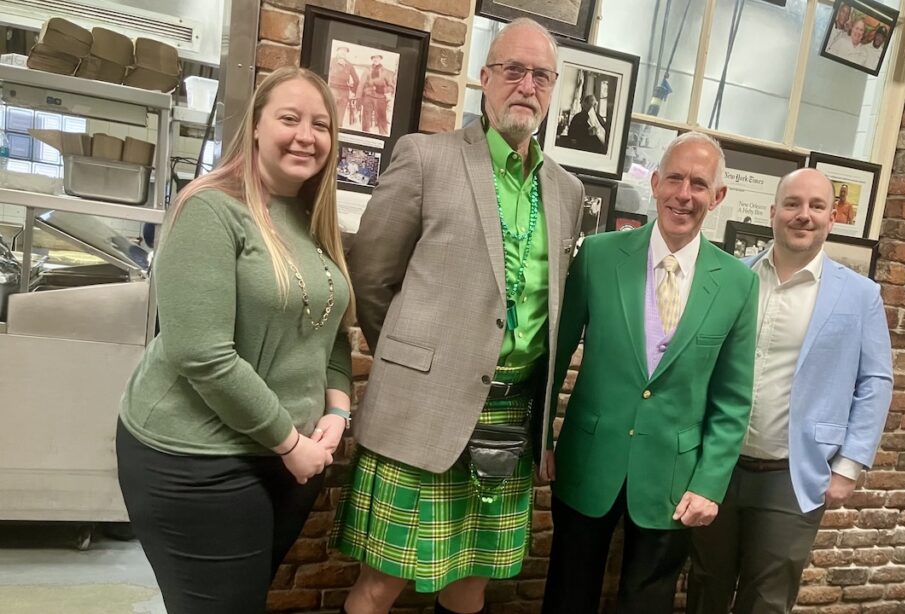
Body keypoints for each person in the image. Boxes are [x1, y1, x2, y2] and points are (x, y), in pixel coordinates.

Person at [333, 18, 584, 614]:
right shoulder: (425, 157)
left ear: (552, 90)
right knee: (380, 583)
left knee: (473, 578)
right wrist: (414, 354)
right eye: (513, 71)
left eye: (541, 76)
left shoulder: (567, 191)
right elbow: (370, 275)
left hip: (511, 414)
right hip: (426, 406)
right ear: (485, 79)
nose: (526, 85)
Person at [116, 66, 355, 613]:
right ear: (255, 126)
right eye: (289, 119)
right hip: (198, 455)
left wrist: (336, 413)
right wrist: (292, 444)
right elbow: (200, 352)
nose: (306, 135)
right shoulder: (210, 208)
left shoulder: (311, 218)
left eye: (320, 124)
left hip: (287, 457)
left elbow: (331, 328)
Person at [542, 132, 759, 614]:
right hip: (589, 458)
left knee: (648, 602)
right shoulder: (597, 256)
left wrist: (710, 482)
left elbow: (732, 397)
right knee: (567, 593)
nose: (685, 194)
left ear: (717, 197)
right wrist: (544, 441)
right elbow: (554, 357)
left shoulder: (739, 284)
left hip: (674, 476)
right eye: (675, 179)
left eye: (699, 184)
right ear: (656, 183)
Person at [686, 168, 894, 614]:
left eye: (817, 206)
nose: (804, 215)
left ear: (832, 217)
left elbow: (875, 381)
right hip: (717, 466)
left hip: (794, 474)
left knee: (769, 597)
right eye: (793, 204)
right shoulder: (734, 278)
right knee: (705, 584)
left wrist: (850, 465)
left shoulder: (859, 295)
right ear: (773, 212)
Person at [357, 54, 396, 135]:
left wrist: (382, 90)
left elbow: (392, 87)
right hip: (368, 97)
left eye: (378, 57)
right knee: (366, 121)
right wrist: (358, 98)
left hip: (380, 99)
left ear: (380, 59)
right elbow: (361, 85)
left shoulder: (386, 72)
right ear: (372, 59)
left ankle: (384, 139)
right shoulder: (367, 70)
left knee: (382, 121)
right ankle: (364, 138)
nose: (376, 59)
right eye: (374, 57)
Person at [329, 46, 360, 126]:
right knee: (329, 112)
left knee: (340, 116)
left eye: (345, 51)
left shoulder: (349, 65)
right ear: (337, 51)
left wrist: (353, 91)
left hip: (344, 92)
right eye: (341, 50)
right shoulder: (331, 61)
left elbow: (356, 80)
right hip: (332, 89)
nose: (343, 52)